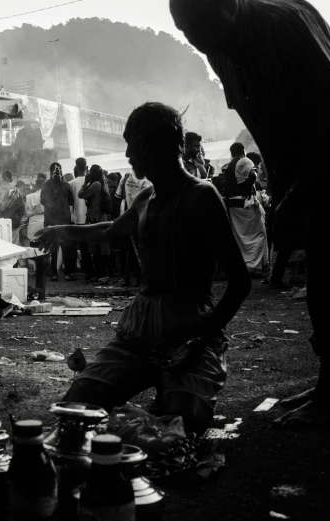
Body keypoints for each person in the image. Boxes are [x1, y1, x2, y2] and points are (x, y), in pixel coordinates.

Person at [171, 0, 330, 428]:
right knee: (326, 271)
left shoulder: (284, 23)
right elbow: (264, 125)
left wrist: (298, 196)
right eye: (187, 34)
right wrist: (283, 195)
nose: (198, 41)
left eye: (202, 27)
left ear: (229, 8)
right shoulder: (219, 49)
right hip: (300, 168)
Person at [36, 102, 251, 434]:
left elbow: (240, 282)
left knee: (179, 427)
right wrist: (62, 231)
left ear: (155, 146)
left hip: (190, 328)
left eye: (131, 144)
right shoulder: (145, 198)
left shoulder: (202, 196)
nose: (127, 154)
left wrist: (197, 341)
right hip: (138, 333)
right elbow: (110, 230)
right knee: (75, 409)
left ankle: (173, 388)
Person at [222, 142, 268, 275]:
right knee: (258, 233)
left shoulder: (229, 165)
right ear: (243, 151)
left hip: (233, 205)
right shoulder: (244, 160)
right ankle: (254, 266)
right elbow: (253, 175)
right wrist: (248, 187)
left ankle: (246, 265)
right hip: (245, 202)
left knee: (242, 236)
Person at [114, 170, 152, 286]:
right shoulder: (148, 179)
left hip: (127, 216)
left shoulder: (125, 177)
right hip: (141, 217)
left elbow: (118, 196)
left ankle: (127, 279)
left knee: (130, 250)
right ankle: (140, 279)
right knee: (141, 249)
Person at [78, 165, 115, 283]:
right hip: (98, 217)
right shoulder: (100, 183)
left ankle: (102, 273)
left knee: (97, 249)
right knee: (100, 248)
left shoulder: (95, 184)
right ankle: (104, 273)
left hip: (96, 218)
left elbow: (80, 194)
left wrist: (85, 183)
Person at [40, 163, 76, 282]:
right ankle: (68, 273)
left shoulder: (46, 185)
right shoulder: (65, 185)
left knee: (52, 248)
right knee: (66, 248)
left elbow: (42, 201)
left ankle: (53, 273)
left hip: (50, 220)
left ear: (50, 172)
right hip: (64, 220)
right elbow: (71, 201)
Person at [70, 158, 91, 279]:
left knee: (82, 247)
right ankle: (91, 269)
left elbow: (71, 203)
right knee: (91, 246)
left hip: (78, 218)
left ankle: (86, 269)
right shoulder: (91, 181)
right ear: (86, 167)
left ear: (76, 168)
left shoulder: (72, 183)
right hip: (90, 217)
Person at [0, 170, 26, 243]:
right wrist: (18, 218)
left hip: (2, 224)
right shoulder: (16, 191)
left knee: (3, 246)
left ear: (3, 179)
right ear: (11, 179)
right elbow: (22, 209)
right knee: (14, 247)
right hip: (14, 223)